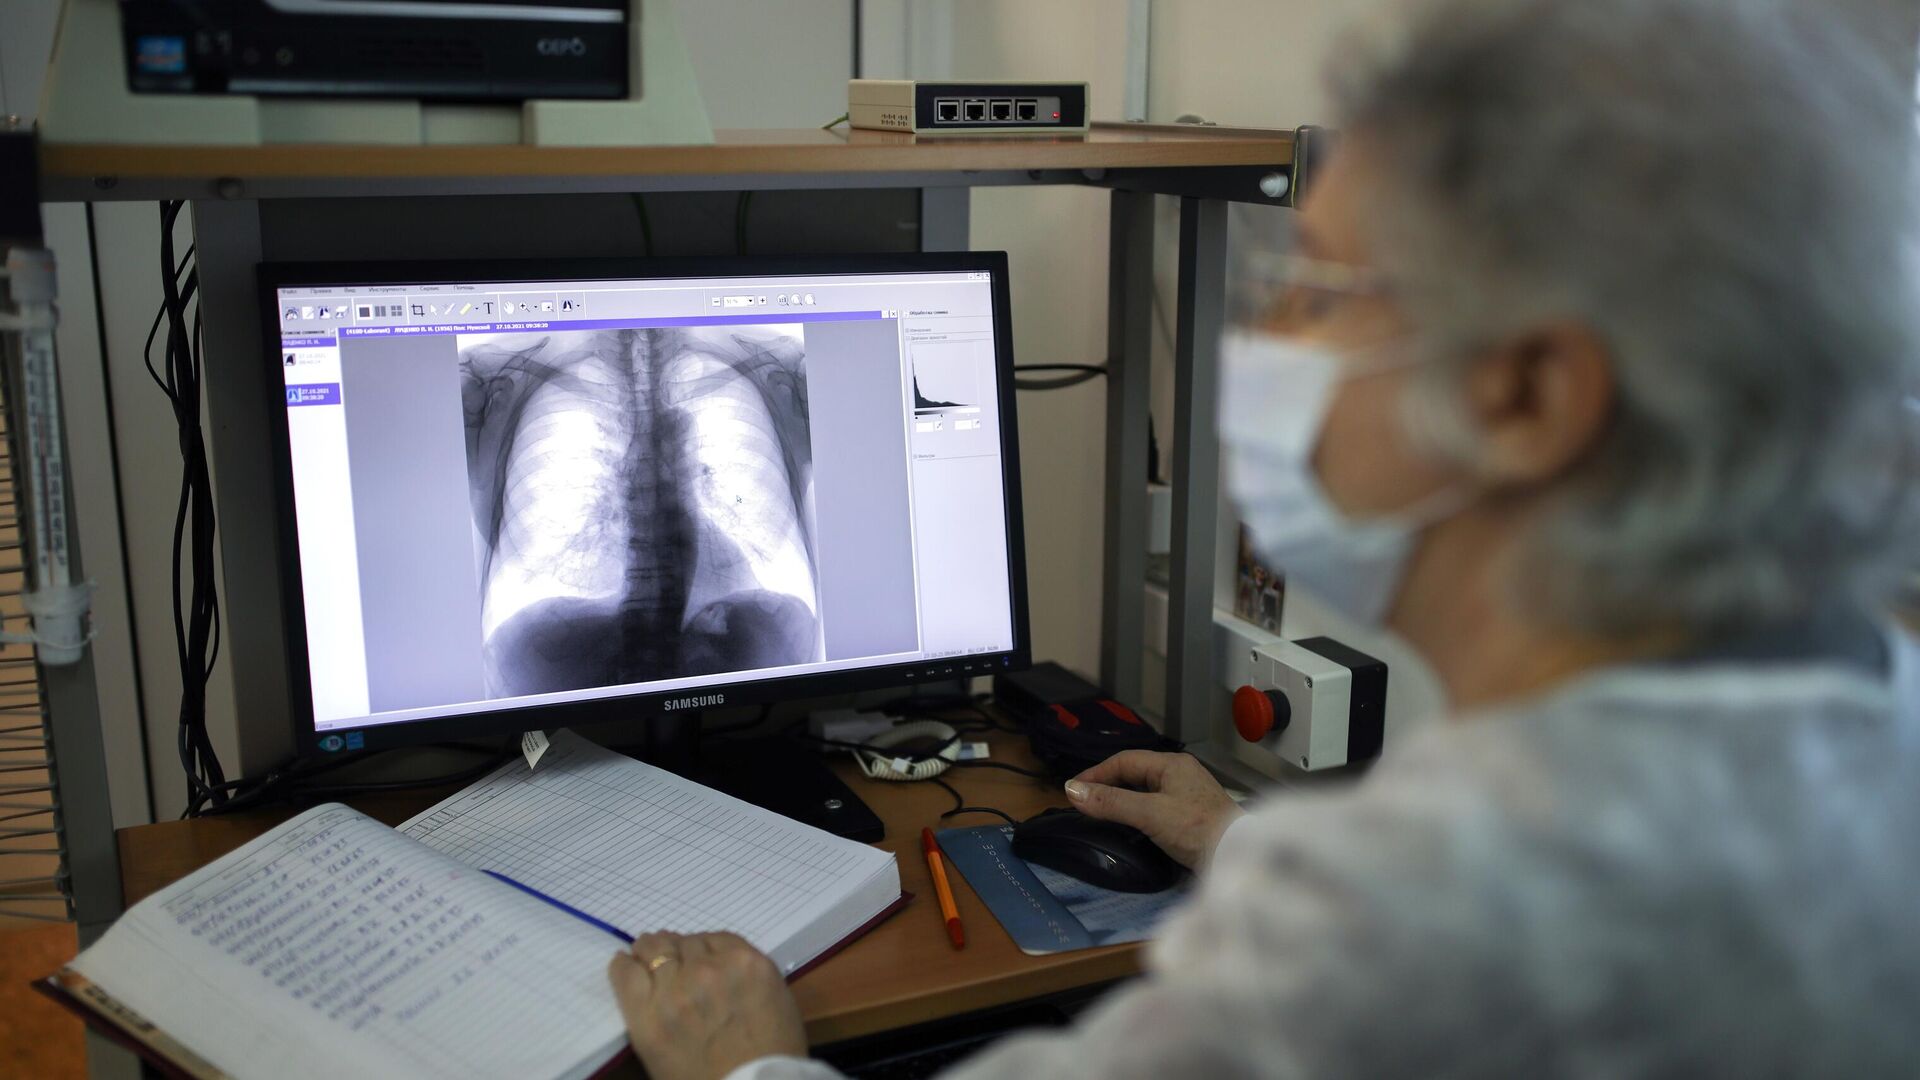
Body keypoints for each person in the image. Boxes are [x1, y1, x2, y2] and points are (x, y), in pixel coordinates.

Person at [608, 0, 1920, 1075]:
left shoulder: (1425, 910)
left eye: (1320, 291)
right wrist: (1237, 839)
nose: (1265, 342)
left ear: (1529, 394)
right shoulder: (1873, 727)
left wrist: (747, 1066)